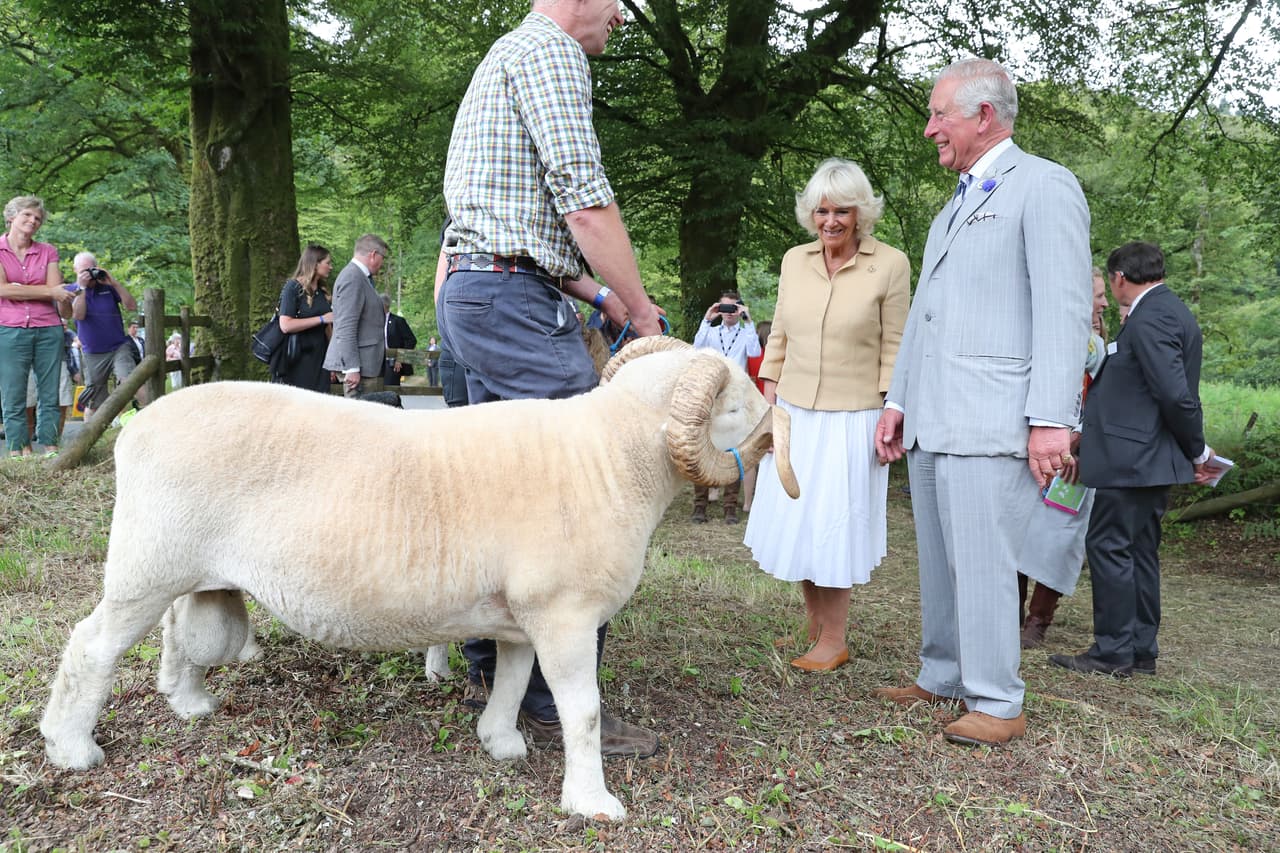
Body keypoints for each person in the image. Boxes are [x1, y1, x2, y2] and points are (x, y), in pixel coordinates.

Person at [438, 0, 662, 758]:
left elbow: (515, 233)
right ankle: (553, 700)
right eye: (620, 3)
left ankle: (490, 673)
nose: (623, 21)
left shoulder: (505, 55)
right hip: (507, 300)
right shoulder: (554, 54)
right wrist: (643, 316)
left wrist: (604, 297)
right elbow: (586, 203)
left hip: (476, 292)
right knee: (578, 493)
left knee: (489, 495)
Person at [872, 58, 1093, 747]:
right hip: (935, 416)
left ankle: (998, 700)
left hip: (993, 416)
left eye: (940, 114)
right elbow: (925, 317)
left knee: (987, 562)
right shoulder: (950, 208)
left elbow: (1061, 310)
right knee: (940, 561)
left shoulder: (1044, 186)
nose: (931, 127)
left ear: (984, 116)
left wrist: (1053, 418)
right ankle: (941, 673)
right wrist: (898, 400)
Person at [744, 158, 910, 671]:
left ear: (861, 213)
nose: (831, 221)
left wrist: (892, 410)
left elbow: (898, 345)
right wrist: (766, 397)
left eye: (842, 210)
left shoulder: (891, 263)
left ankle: (834, 639)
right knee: (799, 520)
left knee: (834, 526)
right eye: (822, 211)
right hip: (793, 410)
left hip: (853, 415)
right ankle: (814, 628)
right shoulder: (795, 260)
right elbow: (779, 337)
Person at [1050, 242, 1214, 678]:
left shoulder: (1151, 316)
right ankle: (1140, 650)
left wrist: (1197, 449)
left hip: (1134, 459)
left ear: (1120, 277)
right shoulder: (1168, 310)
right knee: (1139, 551)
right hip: (1145, 456)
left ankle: (1113, 650)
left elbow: (1175, 394)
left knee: (1109, 546)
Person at [1018, 267, 1111, 648]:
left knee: (1060, 537)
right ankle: (1007, 614)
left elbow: (1105, 404)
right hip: (1030, 450)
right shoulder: (1039, 332)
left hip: (1074, 461)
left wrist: (1084, 442)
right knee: (1018, 533)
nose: (1104, 302)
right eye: (1097, 295)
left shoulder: (1098, 347)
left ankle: (1037, 622)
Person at [0, 195, 73, 458]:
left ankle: (51, 446)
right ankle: (18, 448)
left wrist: (18, 290)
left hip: (48, 328)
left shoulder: (48, 251)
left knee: (49, 390)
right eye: (27, 215)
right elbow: (1, 289)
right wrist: (47, 291)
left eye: (38, 218)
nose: (33, 221)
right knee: (13, 391)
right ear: (11, 218)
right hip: (9, 328)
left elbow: (57, 292)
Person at [690, 291, 761, 524]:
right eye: (725, 308)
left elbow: (754, 352)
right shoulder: (710, 332)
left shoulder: (744, 334)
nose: (728, 314)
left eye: (733, 309)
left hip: (734, 398)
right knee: (704, 448)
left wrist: (748, 321)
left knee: (734, 451)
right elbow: (696, 347)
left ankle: (730, 507)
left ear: (739, 310)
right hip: (711, 395)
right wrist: (707, 318)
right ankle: (699, 505)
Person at [71, 252, 149, 419]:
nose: (88, 274)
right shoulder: (72, 290)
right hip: (93, 353)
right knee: (94, 400)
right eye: (84, 270)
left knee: (131, 382)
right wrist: (82, 288)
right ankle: (89, 439)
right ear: (75, 270)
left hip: (118, 347)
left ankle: (154, 417)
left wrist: (114, 282)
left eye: (91, 269)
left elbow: (132, 306)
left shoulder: (107, 287)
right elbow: (78, 315)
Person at [323, 235, 388, 397]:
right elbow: (345, 326)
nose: (383, 263)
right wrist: (351, 368)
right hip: (358, 369)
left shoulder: (360, 277)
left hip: (366, 365)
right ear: (373, 254)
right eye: (383, 257)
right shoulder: (352, 277)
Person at [274, 244, 335, 393]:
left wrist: (333, 360)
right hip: (297, 359)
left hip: (320, 360)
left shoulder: (322, 292)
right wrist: (321, 319)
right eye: (327, 263)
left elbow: (328, 329)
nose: (331, 267)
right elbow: (286, 325)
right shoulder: (293, 288)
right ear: (315, 264)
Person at [381, 293, 417, 387]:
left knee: (390, 390)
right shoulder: (374, 321)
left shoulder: (398, 321)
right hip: (377, 362)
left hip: (393, 362)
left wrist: (400, 358)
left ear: (384, 305)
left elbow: (411, 340)